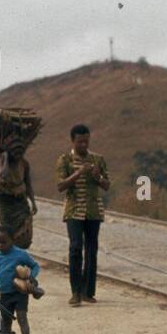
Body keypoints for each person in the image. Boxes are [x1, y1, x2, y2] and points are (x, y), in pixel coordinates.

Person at [55, 124, 110, 306]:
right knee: (75, 248)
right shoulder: (65, 160)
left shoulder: (98, 159)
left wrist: (97, 176)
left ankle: (88, 292)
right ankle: (75, 292)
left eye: (86, 141)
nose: (84, 145)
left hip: (94, 211)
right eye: (80, 142)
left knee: (92, 251)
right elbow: (61, 186)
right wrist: (78, 173)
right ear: (73, 141)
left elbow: (107, 185)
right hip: (73, 211)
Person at [0, 227, 42, 334]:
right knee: (6, 323)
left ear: (12, 240)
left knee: (22, 319)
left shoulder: (21, 254)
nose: (0, 245)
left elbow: (35, 266)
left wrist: (31, 278)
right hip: (4, 295)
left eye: (3, 242)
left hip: (20, 293)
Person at [0, 139, 36, 250]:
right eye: (15, 153)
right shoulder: (1, 162)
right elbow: (2, 176)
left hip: (20, 201)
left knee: (25, 235)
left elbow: (28, 184)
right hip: (5, 202)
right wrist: (5, 159)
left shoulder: (24, 164)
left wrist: (33, 202)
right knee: (8, 233)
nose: (18, 156)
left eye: (20, 153)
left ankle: (21, 256)